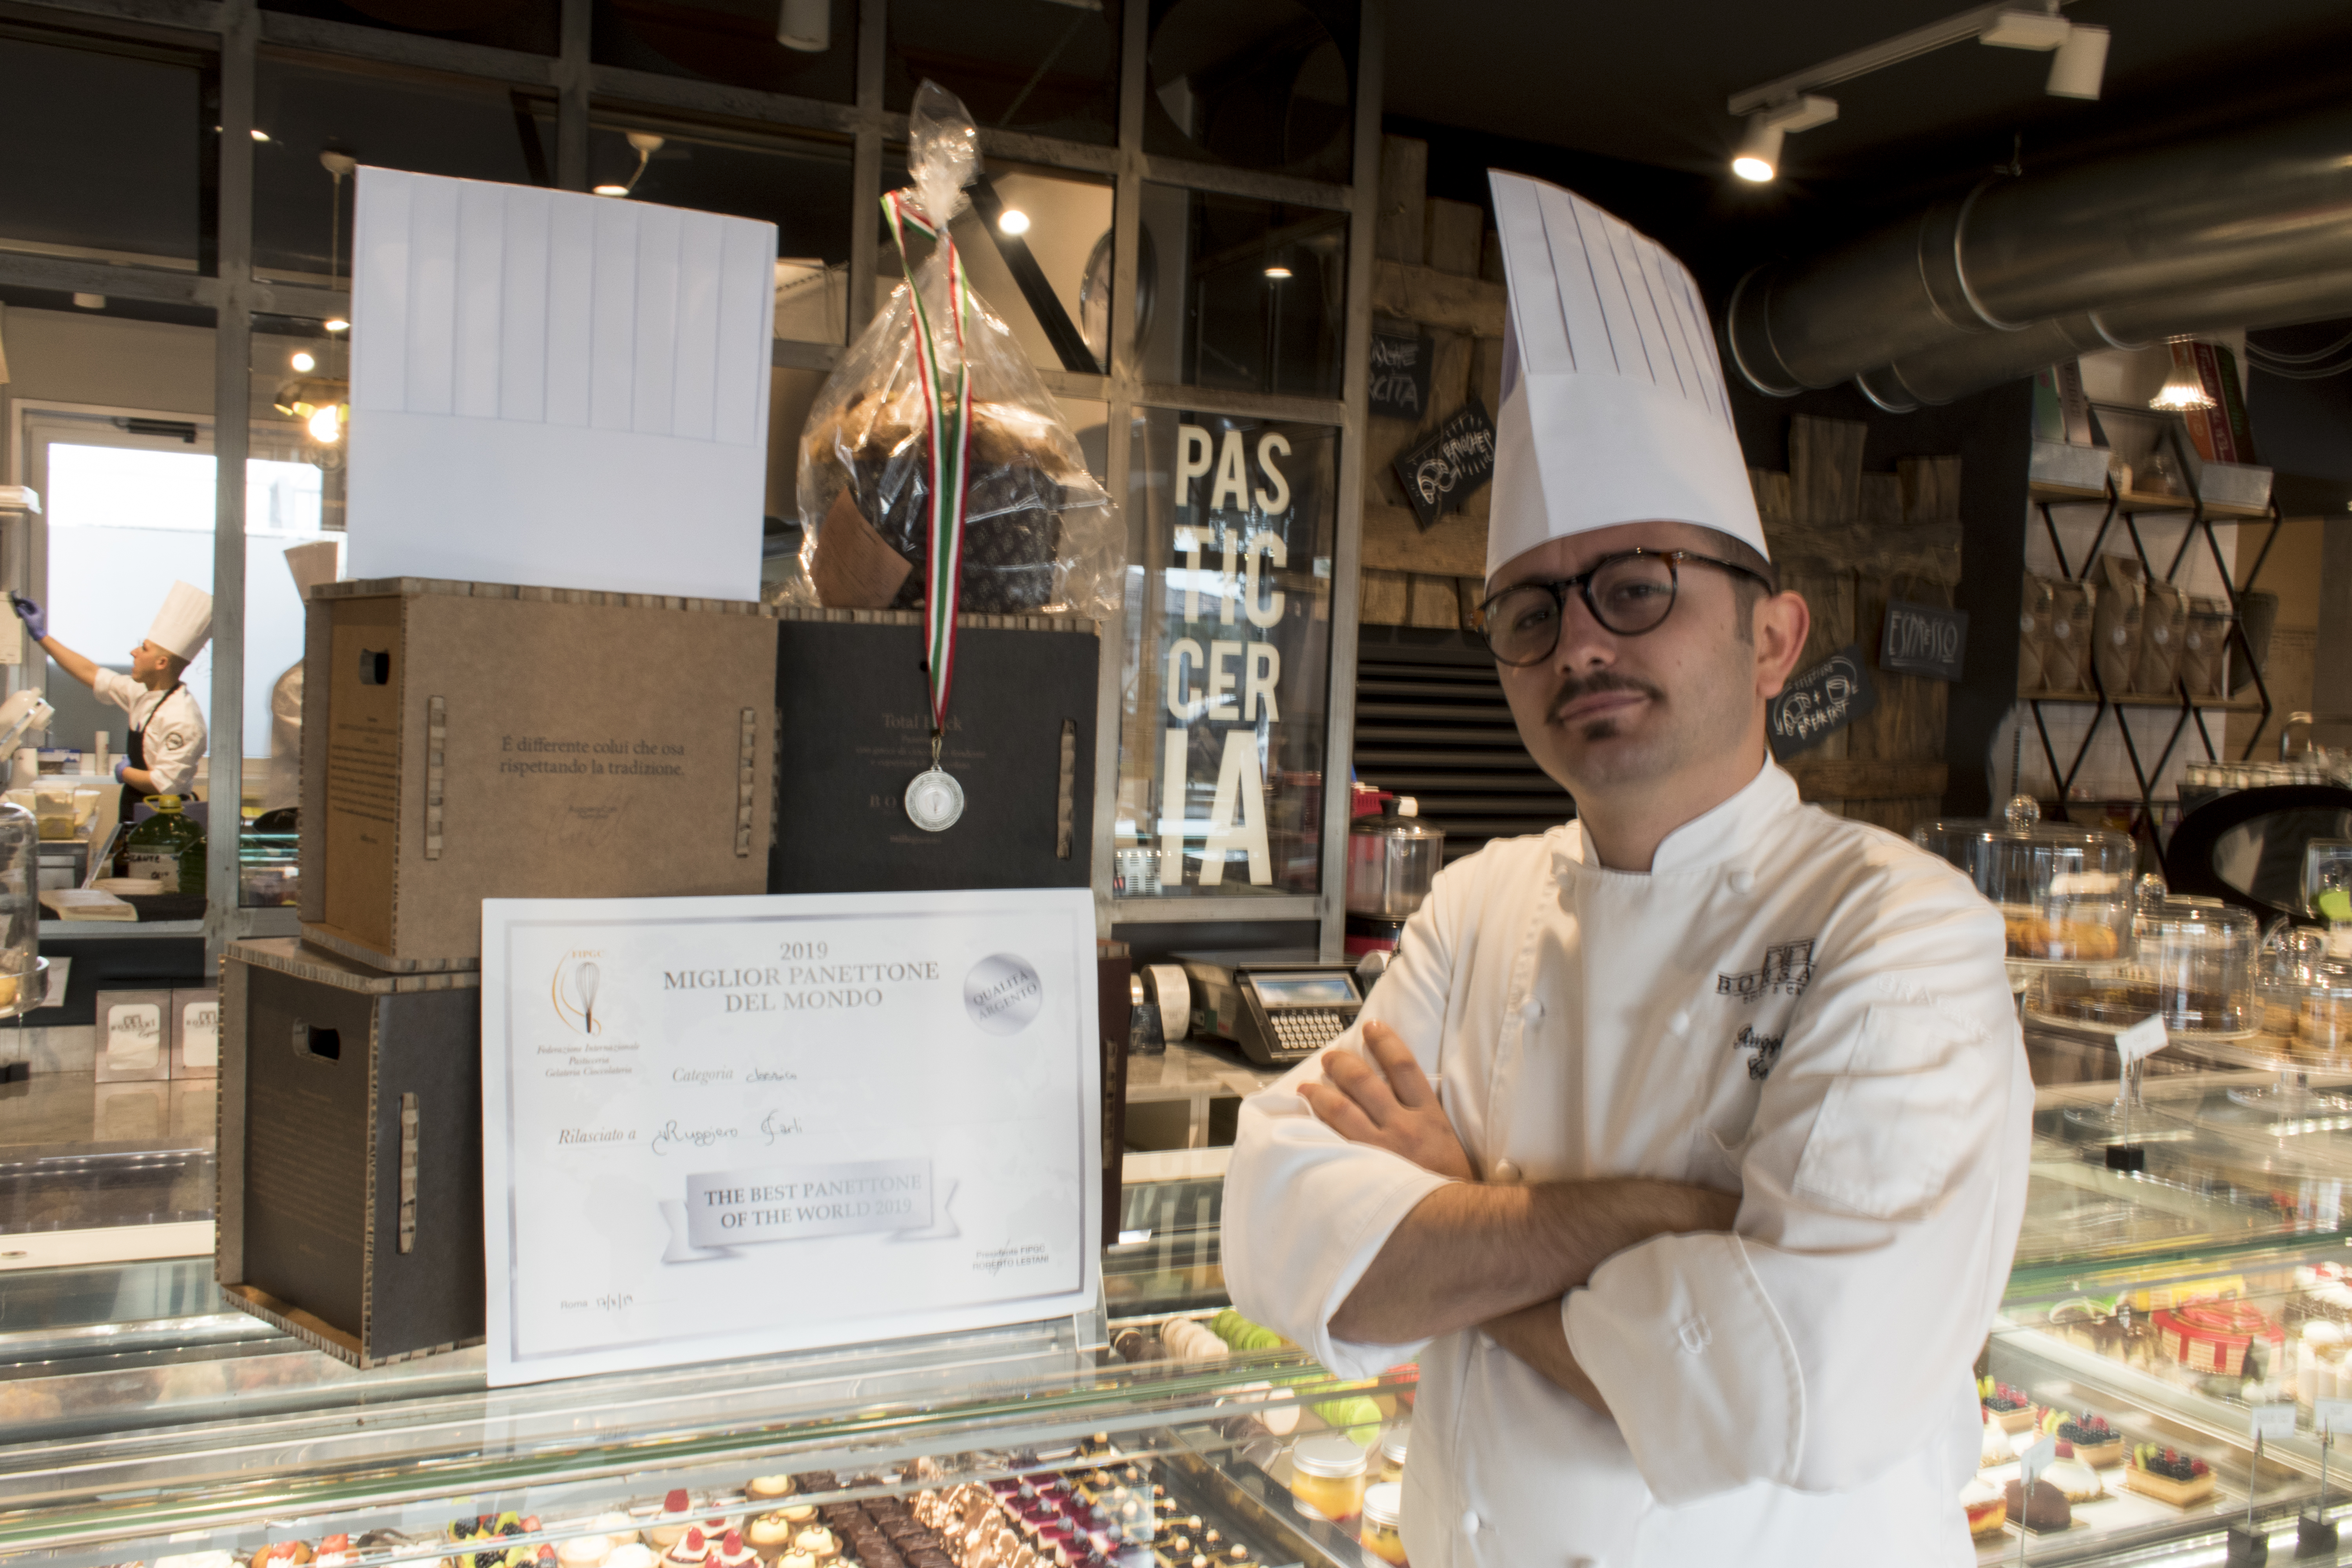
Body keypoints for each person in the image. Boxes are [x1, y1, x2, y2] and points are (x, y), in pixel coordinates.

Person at [1221, 172, 2032, 1568]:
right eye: (1531, 609)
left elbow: (1797, 1391)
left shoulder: (1899, 928)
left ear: (1772, 639)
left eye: (1635, 587)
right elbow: (1278, 1233)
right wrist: (1659, 1227)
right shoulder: (1478, 900)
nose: (1579, 644)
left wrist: (1453, 1232)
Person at [11, 581, 211, 819]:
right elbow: (91, 673)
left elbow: (163, 784)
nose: (134, 652)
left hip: (164, 819)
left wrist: (124, 772)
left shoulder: (182, 718)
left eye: (144, 649)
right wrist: (42, 637)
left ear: (161, 664)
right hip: (135, 808)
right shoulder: (143, 693)